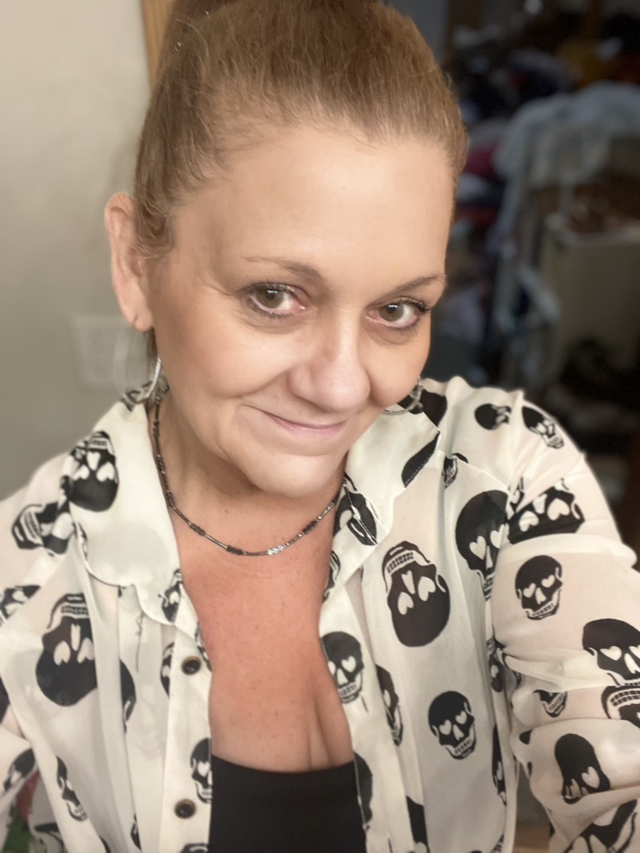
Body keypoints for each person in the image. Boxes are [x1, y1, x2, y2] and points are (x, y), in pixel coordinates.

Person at [1, 0, 639, 851]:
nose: (342, 385)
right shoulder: (31, 579)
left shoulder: (502, 475)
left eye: (397, 309)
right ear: (136, 263)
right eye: (275, 295)